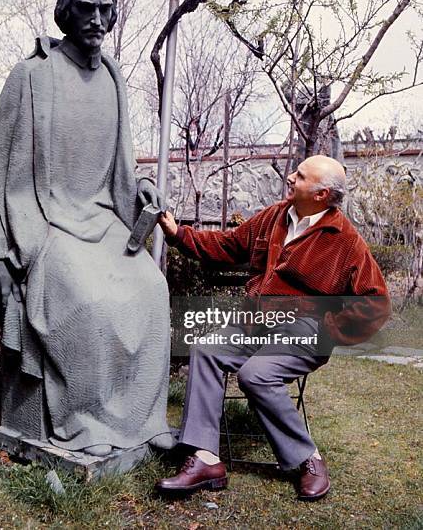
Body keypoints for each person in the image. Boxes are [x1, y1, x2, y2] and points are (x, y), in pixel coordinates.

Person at [0, 0, 173, 456]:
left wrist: (143, 189)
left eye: (106, 9)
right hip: (46, 224)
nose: (98, 19)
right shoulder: (31, 77)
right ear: (66, 12)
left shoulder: (113, 78)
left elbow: (121, 169)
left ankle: (142, 423)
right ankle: (88, 425)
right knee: (91, 304)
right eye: (86, 8)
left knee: (152, 290)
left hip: (103, 223)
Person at [156, 155, 390, 499]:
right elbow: (229, 244)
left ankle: (307, 458)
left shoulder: (345, 241)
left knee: (256, 374)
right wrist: (179, 235)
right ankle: (205, 458)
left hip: (304, 331)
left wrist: (329, 328)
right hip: (256, 323)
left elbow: (376, 302)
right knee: (206, 347)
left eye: (300, 175)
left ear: (322, 194)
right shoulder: (276, 215)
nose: (290, 177)